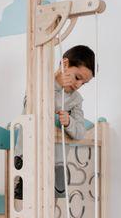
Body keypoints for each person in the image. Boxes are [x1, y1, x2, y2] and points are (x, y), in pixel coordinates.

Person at [14, 45, 95, 199]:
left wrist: (69, 122)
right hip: (30, 154)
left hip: (57, 161)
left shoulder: (76, 99)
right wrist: (56, 84)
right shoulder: (40, 84)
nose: (78, 85)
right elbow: (31, 107)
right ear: (65, 64)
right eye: (77, 78)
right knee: (25, 199)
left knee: (52, 200)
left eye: (83, 83)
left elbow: (80, 132)